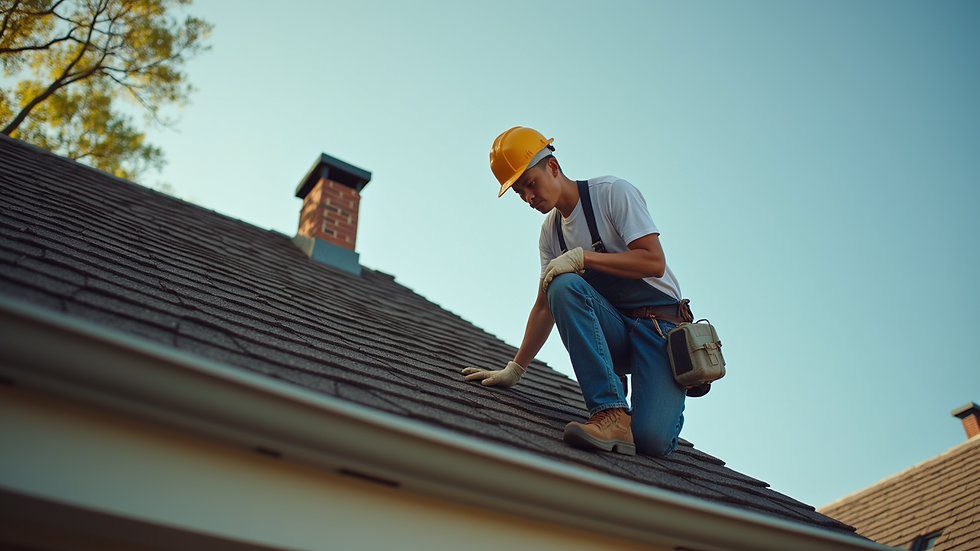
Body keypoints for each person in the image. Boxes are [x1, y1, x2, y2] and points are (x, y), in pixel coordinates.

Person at [461, 126, 690, 458]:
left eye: (530, 184)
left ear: (552, 167)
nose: (528, 198)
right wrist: (515, 369)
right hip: (615, 331)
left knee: (650, 441)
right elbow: (545, 307)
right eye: (520, 193)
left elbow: (653, 262)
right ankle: (609, 412)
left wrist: (584, 257)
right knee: (562, 285)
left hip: (659, 330)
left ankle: (634, 417)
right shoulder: (550, 234)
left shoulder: (611, 193)